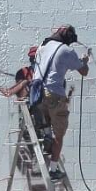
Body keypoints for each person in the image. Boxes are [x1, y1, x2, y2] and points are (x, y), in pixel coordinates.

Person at [33, 25, 89, 180]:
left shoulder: (42, 46)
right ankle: (53, 170)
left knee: (46, 127)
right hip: (54, 94)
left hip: (37, 93)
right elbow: (84, 71)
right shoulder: (66, 50)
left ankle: (46, 136)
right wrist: (84, 61)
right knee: (59, 134)